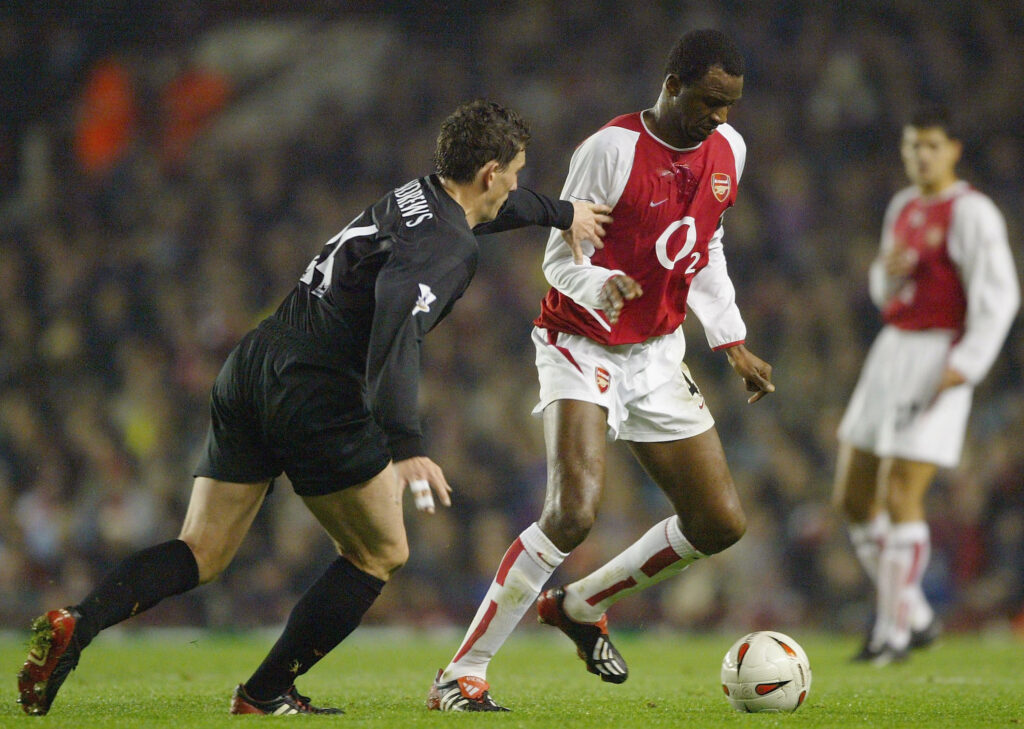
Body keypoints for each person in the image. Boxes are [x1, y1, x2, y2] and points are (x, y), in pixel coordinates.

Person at [17, 99, 612, 716]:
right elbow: (395, 329)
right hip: (318, 389)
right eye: (514, 171)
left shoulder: (415, 196)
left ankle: (76, 623)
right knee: (380, 553)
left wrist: (563, 212)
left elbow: (490, 213)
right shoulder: (448, 247)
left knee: (203, 548)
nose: (517, 182)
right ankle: (264, 692)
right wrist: (406, 445)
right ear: (489, 172)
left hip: (256, 361)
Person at [427, 29, 774, 712]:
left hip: (657, 353)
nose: (720, 118)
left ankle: (580, 605)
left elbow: (705, 247)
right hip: (579, 342)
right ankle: (460, 674)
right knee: (572, 512)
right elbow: (559, 259)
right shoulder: (610, 151)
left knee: (720, 523)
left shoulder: (729, 150)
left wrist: (730, 338)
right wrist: (600, 285)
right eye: (709, 101)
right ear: (672, 84)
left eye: (730, 105)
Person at [833, 106, 1020, 666]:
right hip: (892, 348)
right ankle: (913, 614)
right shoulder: (904, 206)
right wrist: (887, 272)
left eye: (931, 146)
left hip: (940, 352)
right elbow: (884, 291)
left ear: (954, 150)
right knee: (853, 496)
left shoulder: (973, 212)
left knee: (901, 493)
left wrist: (965, 365)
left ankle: (892, 632)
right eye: (912, 146)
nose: (920, 156)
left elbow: (1000, 295)